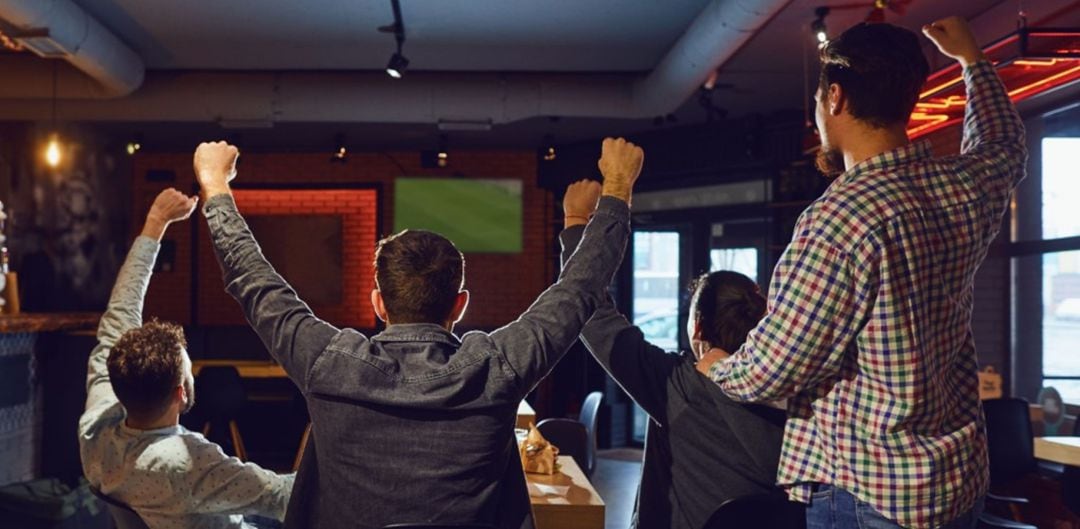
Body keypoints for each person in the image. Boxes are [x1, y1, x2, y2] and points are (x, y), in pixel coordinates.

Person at [193, 137, 642, 529]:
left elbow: (252, 281)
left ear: (378, 302)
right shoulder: (497, 367)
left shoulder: (328, 363)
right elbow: (580, 289)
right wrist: (616, 190)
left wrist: (215, 186)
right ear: (460, 305)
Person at [697, 16, 1026, 529]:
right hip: (956, 486)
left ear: (834, 98)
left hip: (870, 495)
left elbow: (775, 366)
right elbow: (1004, 146)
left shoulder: (840, 218)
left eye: (816, 104)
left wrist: (718, 366)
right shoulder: (965, 185)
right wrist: (973, 63)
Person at [560, 182, 792, 529]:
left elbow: (592, 314)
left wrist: (575, 221)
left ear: (697, 327)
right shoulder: (795, 390)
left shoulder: (680, 385)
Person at [79, 188, 294, 529]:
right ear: (181, 394)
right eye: (187, 367)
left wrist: (155, 224)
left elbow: (120, 311)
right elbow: (285, 496)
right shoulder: (187, 463)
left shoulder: (96, 430)